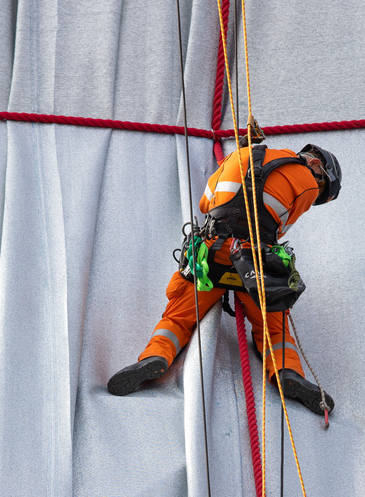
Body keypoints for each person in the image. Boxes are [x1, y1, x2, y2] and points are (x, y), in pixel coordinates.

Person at [107, 143, 341, 416]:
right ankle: (287, 371)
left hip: (212, 255)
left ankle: (155, 356)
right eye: (321, 188)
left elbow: (205, 203)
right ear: (316, 165)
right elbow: (279, 228)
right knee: (273, 330)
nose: (316, 193)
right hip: (253, 262)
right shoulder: (308, 183)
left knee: (177, 319)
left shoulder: (237, 155)